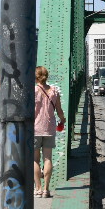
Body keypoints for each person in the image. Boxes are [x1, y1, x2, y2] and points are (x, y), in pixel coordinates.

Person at [32, 65, 65, 197]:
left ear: (35, 77)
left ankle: (38, 188)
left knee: (35, 159)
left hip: (34, 128)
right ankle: (46, 189)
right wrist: (62, 120)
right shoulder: (54, 91)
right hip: (49, 128)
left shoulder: (33, 91)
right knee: (48, 158)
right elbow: (59, 110)